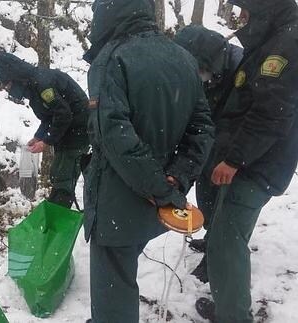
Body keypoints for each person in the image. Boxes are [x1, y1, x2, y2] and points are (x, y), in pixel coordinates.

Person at [82, 0, 214, 321]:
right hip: (157, 194)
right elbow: (203, 128)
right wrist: (177, 178)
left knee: (113, 279)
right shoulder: (181, 56)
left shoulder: (112, 59)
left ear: (110, 13)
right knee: (122, 272)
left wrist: (160, 188)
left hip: (120, 198)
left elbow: (114, 136)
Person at [194, 0, 298, 321]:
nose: (241, 19)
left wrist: (235, 159)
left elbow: (271, 113)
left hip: (258, 164)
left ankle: (234, 316)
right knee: (227, 235)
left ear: (263, 10)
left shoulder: (284, 45)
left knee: (226, 240)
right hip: (251, 160)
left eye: (246, 12)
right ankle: (229, 305)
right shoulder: (270, 40)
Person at [174, 24, 244, 282]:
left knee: (223, 203)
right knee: (205, 192)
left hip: (232, 151)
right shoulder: (204, 67)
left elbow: (241, 120)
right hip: (211, 142)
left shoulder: (241, 69)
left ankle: (215, 257)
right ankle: (211, 236)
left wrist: (227, 156)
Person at [0, 53, 89, 208]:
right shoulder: (32, 87)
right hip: (67, 131)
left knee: (63, 176)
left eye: (6, 83)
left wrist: (46, 141)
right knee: (59, 174)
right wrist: (39, 137)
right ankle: (58, 211)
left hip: (78, 131)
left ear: (14, 77)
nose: (6, 88)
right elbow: (49, 117)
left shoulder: (42, 84)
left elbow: (63, 114)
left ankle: (58, 218)